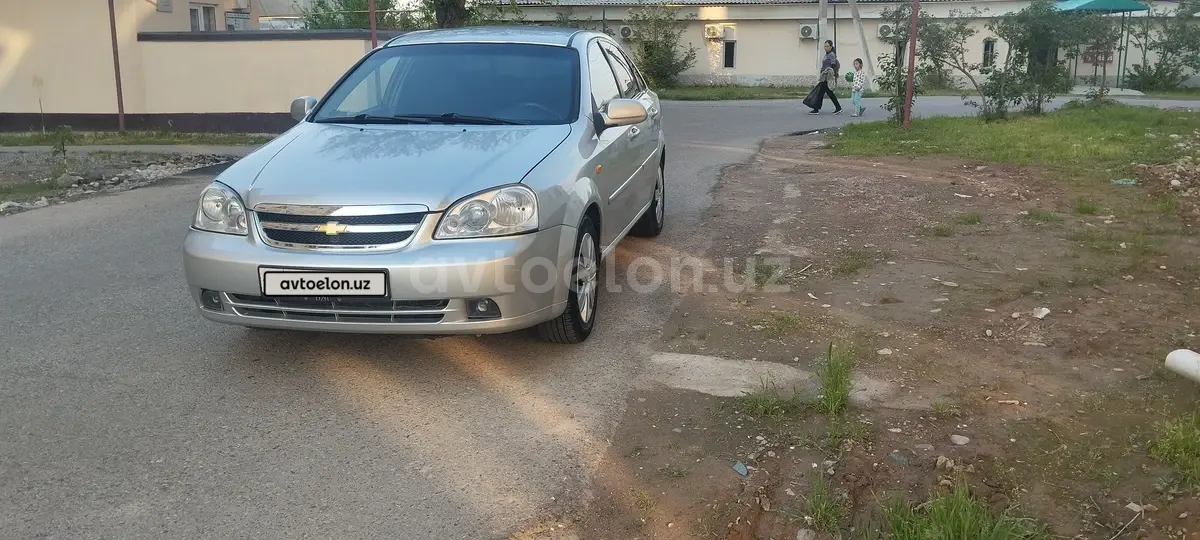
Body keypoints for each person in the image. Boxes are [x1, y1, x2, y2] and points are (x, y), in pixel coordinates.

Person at [809, 40, 842, 115]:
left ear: (831, 47)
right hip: (824, 77)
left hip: (827, 77)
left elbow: (833, 66)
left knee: (824, 93)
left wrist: (830, 74)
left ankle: (816, 109)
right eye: (825, 46)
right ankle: (837, 108)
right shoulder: (827, 54)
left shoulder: (831, 55)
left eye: (827, 46)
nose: (825, 48)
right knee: (825, 93)